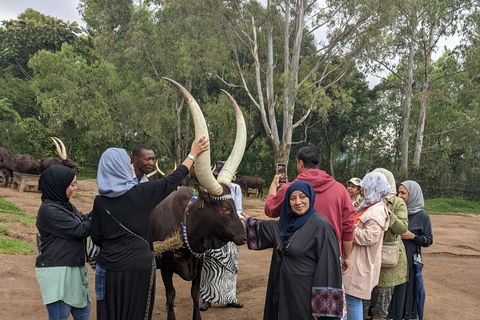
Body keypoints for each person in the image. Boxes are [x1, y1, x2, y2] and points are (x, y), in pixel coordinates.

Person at [91, 137, 209, 320]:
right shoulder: (141, 193)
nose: (131, 167)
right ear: (121, 168)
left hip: (109, 268)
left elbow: (97, 238)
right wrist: (192, 154)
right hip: (139, 267)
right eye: (127, 164)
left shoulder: (99, 201)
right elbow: (173, 180)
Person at [244, 181, 344, 320]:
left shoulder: (321, 227)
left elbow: (329, 268)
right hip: (282, 289)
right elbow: (267, 228)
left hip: (304, 294)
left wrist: (321, 307)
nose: (298, 202)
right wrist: (239, 221)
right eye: (293, 198)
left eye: (302, 197)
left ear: (310, 197)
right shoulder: (285, 224)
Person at [264, 145, 355, 275]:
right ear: (319, 163)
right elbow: (348, 227)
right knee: (326, 294)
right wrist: (346, 256)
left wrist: (274, 186)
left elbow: (269, 210)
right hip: (330, 256)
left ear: (300, 163)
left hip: (297, 259)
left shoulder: (289, 190)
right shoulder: (340, 190)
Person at [35, 165, 92, 320]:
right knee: (60, 315)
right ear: (58, 185)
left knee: (84, 312)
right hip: (58, 272)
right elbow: (81, 229)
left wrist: (101, 208)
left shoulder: (64, 205)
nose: (75, 188)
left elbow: (83, 219)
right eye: (72, 184)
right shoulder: (50, 211)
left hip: (73, 268)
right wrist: (104, 213)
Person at [343, 172, 390, 320]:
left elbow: (369, 237)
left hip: (360, 262)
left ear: (373, 187)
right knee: (351, 298)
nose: (362, 189)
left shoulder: (376, 211)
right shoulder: (370, 205)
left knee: (352, 299)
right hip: (358, 260)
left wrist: (349, 229)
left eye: (365, 185)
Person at [199, 161, 244, 311]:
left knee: (230, 267)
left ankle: (230, 298)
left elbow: (238, 210)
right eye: (216, 176)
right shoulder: (209, 190)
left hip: (230, 230)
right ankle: (207, 299)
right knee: (210, 265)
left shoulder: (236, 189)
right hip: (215, 232)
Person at [365, 168, 408, 320]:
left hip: (387, 261)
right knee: (362, 304)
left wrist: (386, 211)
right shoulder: (365, 201)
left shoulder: (397, 203)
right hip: (366, 259)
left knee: (381, 309)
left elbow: (402, 228)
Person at [388, 180, 433, 320]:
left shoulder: (422, 216)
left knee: (407, 289)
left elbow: (428, 240)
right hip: (392, 256)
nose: (399, 195)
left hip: (409, 259)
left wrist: (413, 236)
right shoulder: (394, 210)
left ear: (412, 195)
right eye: (398, 192)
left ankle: (405, 315)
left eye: (403, 193)